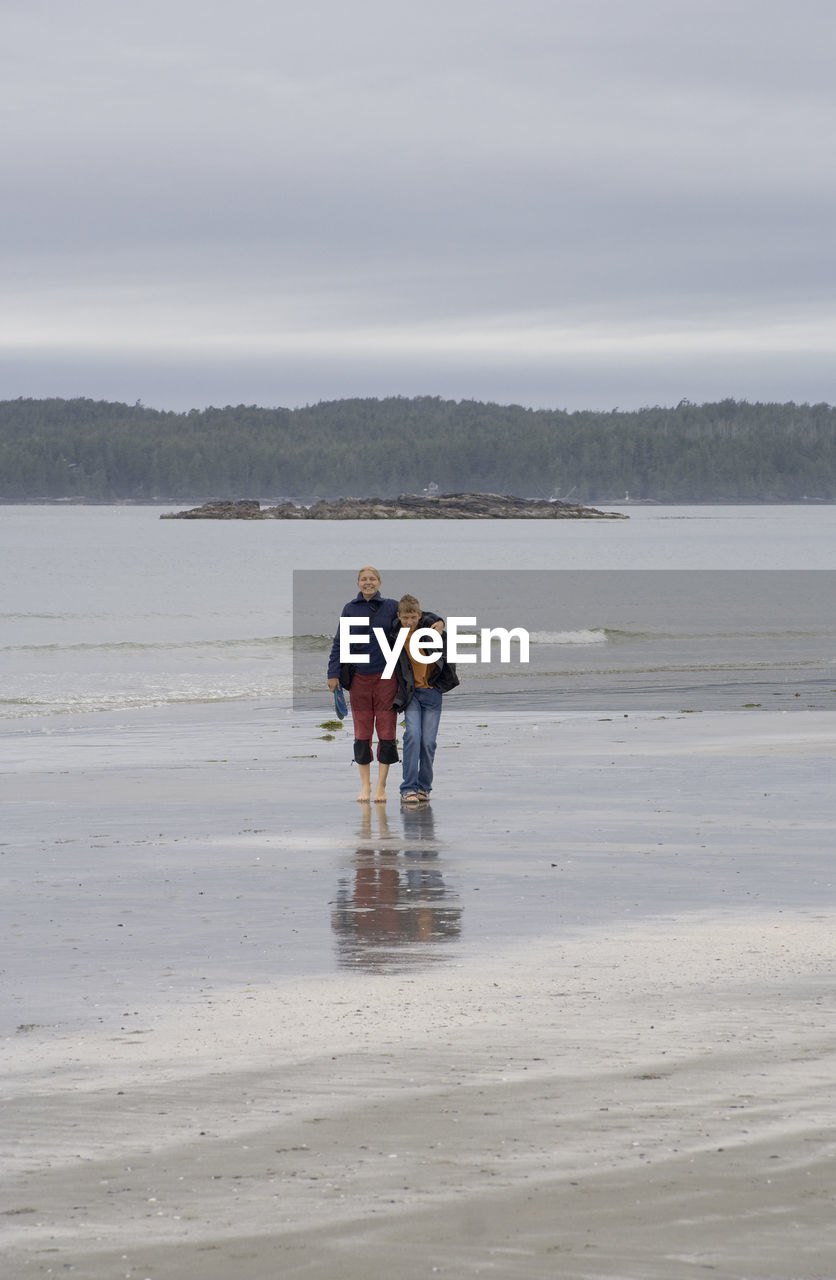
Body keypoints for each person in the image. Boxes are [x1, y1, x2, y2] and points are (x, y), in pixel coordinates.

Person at [327, 568, 441, 804]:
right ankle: (366, 787)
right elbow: (340, 641)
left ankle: (381, 787)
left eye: (372, 579)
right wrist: (333, 673)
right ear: (358, 583)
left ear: (379, 582)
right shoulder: (350, 609)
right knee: (362, 732)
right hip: (359, 678)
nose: (368, 583)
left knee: (387, 732)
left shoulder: (390, 606)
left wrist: (438, 621)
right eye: (364, 579)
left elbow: (416, 614)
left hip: (387, 678)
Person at [390, 593, 459, 805]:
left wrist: (439, 686)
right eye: (405, 618)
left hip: (431, 693)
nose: (409, 622)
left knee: (428, 742)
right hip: (410, 695)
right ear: (399, 616)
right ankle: (408, 788)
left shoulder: (431, 632)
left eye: (413, 617)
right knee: (412, 736)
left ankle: (424, 787)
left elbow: (449, 657)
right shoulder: (393, 634)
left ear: (419, 615)